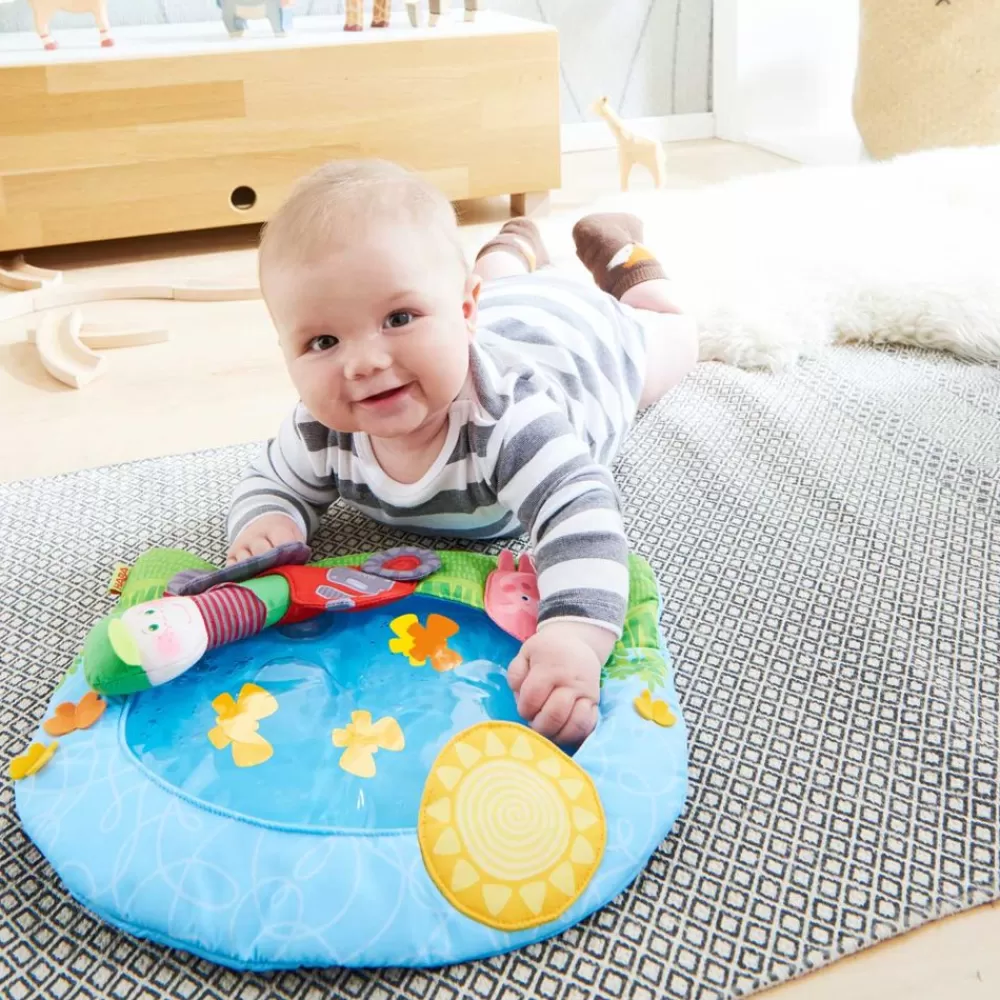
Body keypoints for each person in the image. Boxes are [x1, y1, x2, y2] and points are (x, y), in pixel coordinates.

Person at [226, 159, 697, 746]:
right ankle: (513, 245)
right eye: (323, 341)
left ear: (463, 313)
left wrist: (574, 634)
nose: (364, 362)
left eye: (398, 318)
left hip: (585, 339)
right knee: (485, 287)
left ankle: (624, 255)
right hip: (496, 304)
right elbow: (272, 480)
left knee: (676, 334)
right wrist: (268, 521)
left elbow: (580, 512)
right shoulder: (322, 430)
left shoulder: (508, 420)